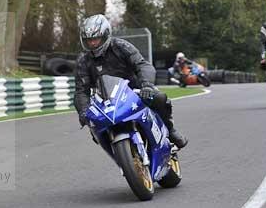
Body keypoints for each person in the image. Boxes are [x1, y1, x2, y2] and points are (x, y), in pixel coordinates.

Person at [74, 14, 188, 149]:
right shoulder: (83, 61)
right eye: (89, 40)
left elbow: (142, 65)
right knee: (93, 125)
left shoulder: (120, 46)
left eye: (96, 39)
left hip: (134, 91)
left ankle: (170, 131)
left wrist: (147, 86)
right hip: (105, 101)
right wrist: (83, 111)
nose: (92, 43)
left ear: (105, 35)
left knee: (160, 98)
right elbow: (81, 90)